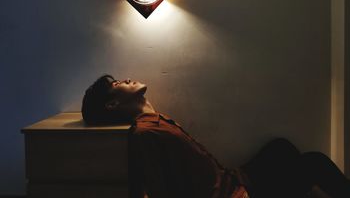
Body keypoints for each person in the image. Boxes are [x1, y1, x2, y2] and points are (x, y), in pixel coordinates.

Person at [82, 75, 350, 198]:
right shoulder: (145, 134)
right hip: (231, 194)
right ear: (112, 105)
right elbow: (158, 189)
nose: (126, 79)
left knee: (282, 147)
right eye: (117, 85)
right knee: (314, 162)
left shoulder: (154, 120)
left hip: (230, 179)